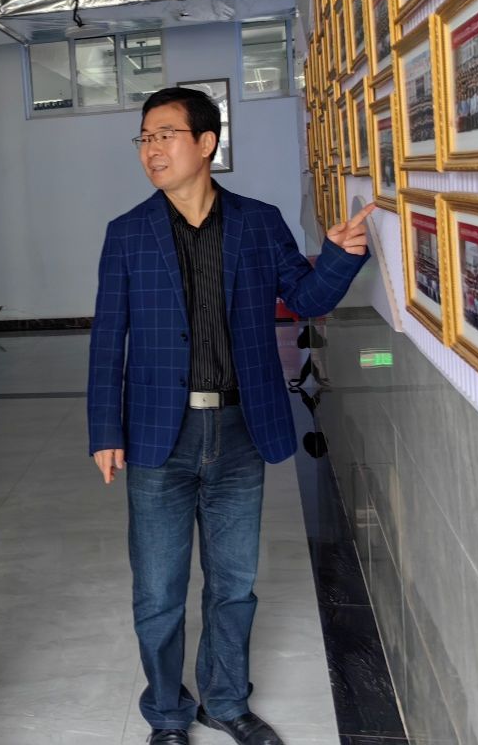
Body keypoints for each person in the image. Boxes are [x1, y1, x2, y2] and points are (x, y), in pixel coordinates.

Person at [88, 87, 373, 745]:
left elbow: (304, 298)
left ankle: (224, 700)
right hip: (158, 435)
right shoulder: (126, 234)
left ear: (206, 143)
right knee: (158, 591)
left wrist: (339, 256)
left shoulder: (258, 222)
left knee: (234, 584)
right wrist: (105, 429)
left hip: (242, 431)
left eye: (165, 135)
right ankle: (166, 712)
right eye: (144, 138)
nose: (151, 150)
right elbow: (107, 339)